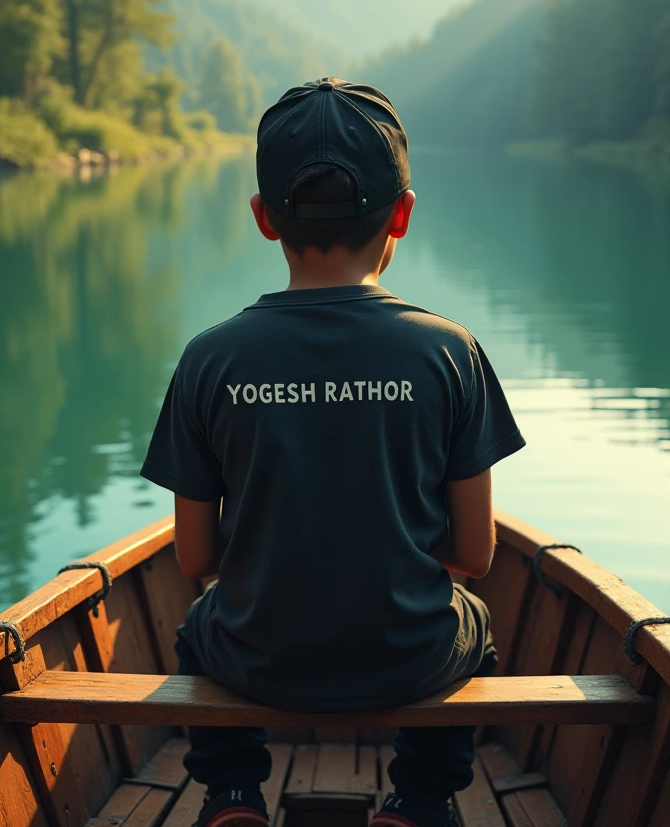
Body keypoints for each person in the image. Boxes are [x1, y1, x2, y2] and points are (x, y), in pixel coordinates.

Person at [141, 78, 526, 827]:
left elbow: (194, 561)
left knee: (196, 627)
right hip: (408, 656)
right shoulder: (449, 353)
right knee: (474, 618)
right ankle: (417, 800)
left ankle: (232, 794)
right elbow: (475, 553)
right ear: (404, 214)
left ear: (261, 218)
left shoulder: (209, 360)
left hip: (256, 657)